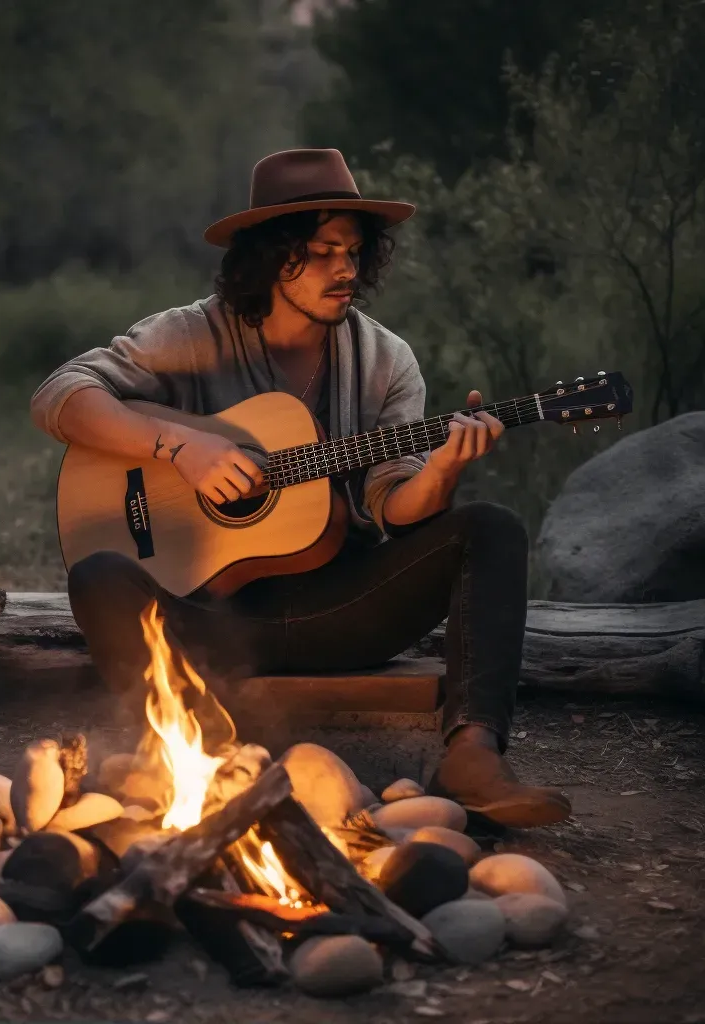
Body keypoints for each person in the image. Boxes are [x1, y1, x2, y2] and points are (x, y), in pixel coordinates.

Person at [31, 148, 571, 828]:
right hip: (206, 621)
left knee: (491, 528)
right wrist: (182, 446)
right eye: (320, 252)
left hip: (339, 612)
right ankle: (203, 755)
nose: (344, 269)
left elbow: (395, 508)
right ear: (269, 256)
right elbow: (60, 395)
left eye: (352, 251)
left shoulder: (385, 361)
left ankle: (472, 754)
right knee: (101, 574)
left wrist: (440, 471)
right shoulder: (192, 335)